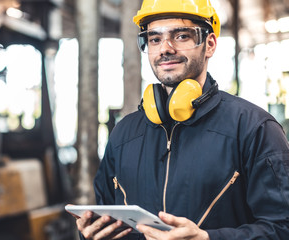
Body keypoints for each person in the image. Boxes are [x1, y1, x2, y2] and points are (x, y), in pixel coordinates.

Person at [73, 0, 289, 239]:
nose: (165, 48)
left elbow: (282, 228)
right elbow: (108, 220)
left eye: (182, 36)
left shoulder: (254, 128)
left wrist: (208, 238)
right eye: (154, 39)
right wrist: (91, 234)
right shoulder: (123, 134)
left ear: (209, 44)